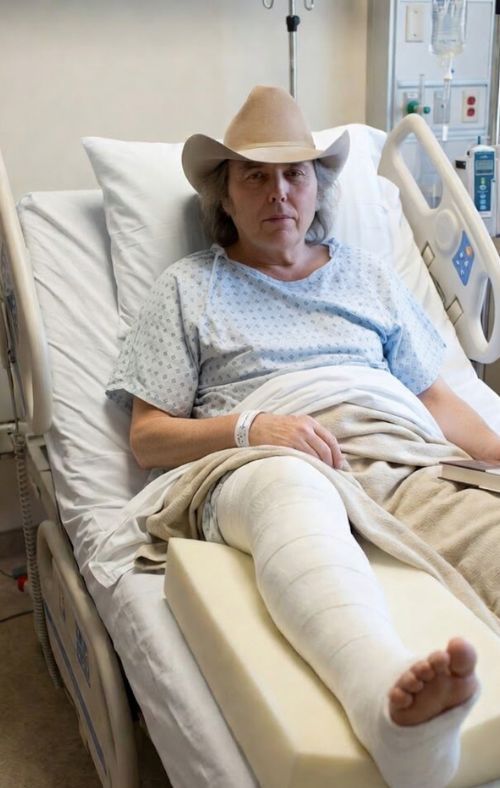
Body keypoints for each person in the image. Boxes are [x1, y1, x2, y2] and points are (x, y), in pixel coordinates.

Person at [107, 86, 500, 787]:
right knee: (289, 488)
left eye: (294, 174)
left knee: (490, 534)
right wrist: (254, 429)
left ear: (318, 188)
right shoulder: (188, 288)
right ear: (225, 198)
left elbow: (434, 397)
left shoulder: (368, 276)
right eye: (254, 176)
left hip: (397, 457)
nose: (279, 192)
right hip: (261, 462)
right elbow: (148, 438)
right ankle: (385, 703)